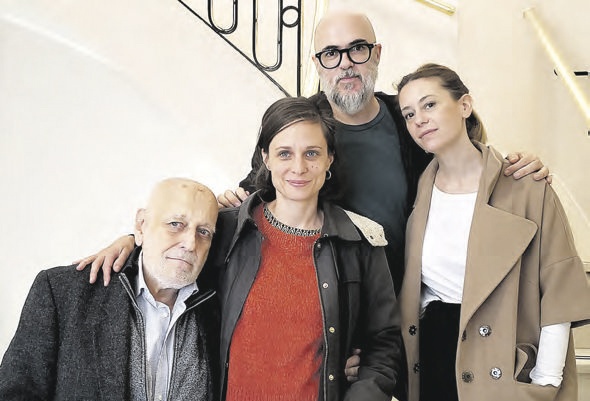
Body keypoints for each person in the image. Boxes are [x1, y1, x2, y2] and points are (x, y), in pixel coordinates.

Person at [76, 96, 402, 401]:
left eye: (312, 153)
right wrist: (132, 241)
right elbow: (174, 246)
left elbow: (384, 347)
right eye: (284, 153)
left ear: (329, 158)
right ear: (266, 157)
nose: (299, 167)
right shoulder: (228, 229)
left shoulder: (360, 243)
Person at [217, 10, 550, 299]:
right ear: (317, 64)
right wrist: (225, 204)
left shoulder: (408, 119)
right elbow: (260, 188)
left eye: (357, 49)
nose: (346, 64)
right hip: (327, 300)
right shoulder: (298, 126)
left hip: (406, 299)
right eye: (331, 53)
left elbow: (462, 161)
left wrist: (511, 170)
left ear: (376, 54)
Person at [396, 63, 590, 401]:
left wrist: (547, 379)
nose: (419, 120)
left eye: (430, 105)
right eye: (409, 114)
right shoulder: (418, 192)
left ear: (464, 105)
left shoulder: (526, 187)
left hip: (503, 362)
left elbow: (559, 288)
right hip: (435, 361)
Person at [0, 178, 220, 401]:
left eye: (203, 231)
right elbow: (14, 398)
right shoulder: (62, 292)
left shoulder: (218, 305)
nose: (190, 244)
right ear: (141, 225)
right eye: (175, 224)